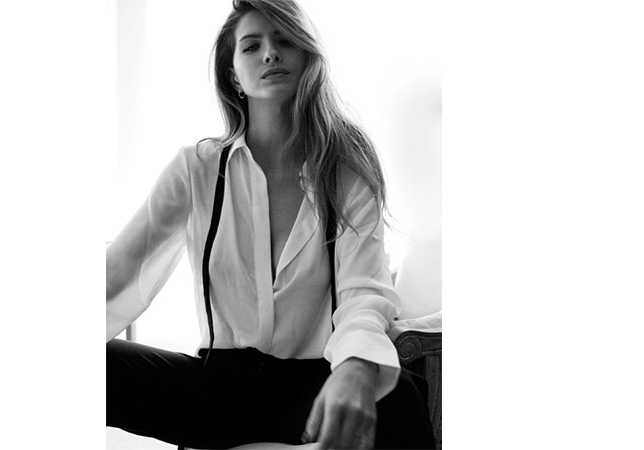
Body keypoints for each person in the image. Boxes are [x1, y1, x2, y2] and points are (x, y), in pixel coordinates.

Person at [106, 0, 435, 448]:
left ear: (306, 55)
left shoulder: (345, 169)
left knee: (399, 397)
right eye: (251, 46)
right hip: (216, 390)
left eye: (284, 40)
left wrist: (356, 368)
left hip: (312, 388)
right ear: (233, 76)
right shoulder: (197, 169)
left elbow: (364, 293)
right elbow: (118, 272)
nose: (270, 53)